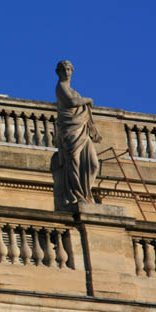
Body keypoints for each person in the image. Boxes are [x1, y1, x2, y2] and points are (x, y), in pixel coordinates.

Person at [51, 60, 102, 209]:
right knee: (74, 162)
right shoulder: (60, 87)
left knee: (93, 164)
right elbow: (72, 102)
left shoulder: (72, 89)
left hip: (81, 130)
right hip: (70, 131)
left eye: (68, 69)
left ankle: (86, 194)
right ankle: (77, 194)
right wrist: (88, 100)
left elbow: (76, 101)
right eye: (63, 70)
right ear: (58, 72)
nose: (66, 72)